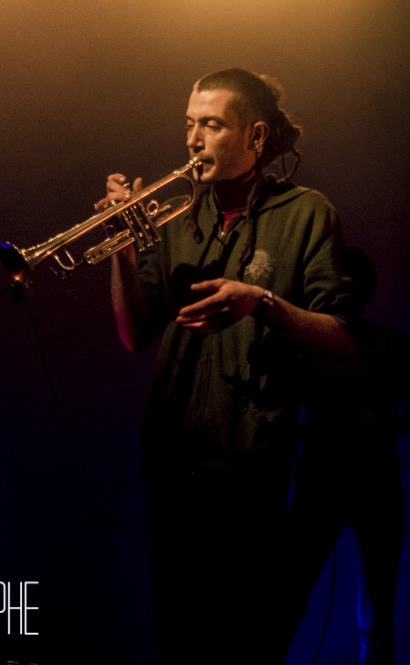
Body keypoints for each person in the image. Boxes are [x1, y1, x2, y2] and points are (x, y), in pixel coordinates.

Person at [97, 68, 360, 664]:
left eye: (212, 125)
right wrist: (122, 250)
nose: (193, 140)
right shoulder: (176, 218)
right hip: (170, 467)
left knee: (240, 645)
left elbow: (345, 338)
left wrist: (261, 302)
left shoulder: (306, 213)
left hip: (248, 469)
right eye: (190, 124)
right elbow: (134, 336)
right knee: (176, 641)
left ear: (256, 136)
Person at [283, 247, 407, 665]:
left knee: (371, 607)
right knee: (295, 597)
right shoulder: (307, 349)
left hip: (361, 485)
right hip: (339, 484)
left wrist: (378, 424)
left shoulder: (389, 345)